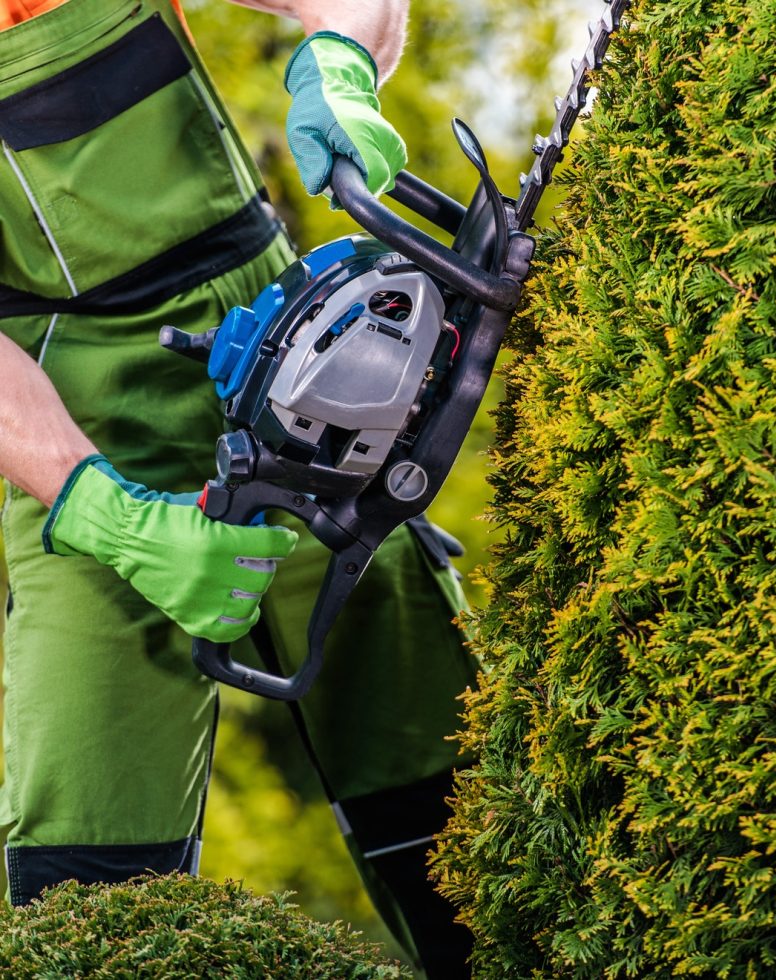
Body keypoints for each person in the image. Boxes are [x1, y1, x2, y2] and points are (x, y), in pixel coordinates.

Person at [0, 0, 475, 975]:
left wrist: (337, 58)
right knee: (86, 896)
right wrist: (102, 511)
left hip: (279, 352)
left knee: (460, 785)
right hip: (70, 424)